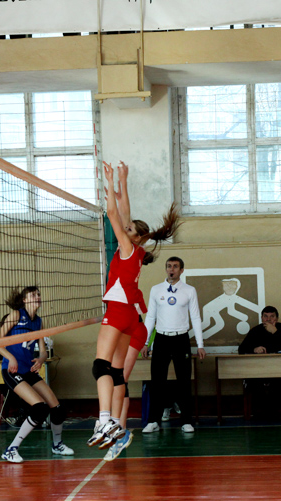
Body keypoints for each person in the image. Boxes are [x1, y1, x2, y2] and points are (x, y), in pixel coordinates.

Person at [88, 160, 181, 450]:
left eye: (128, 229)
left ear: (134, 236)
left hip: (118, 312)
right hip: (129, 316)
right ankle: (115, 425)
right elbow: (124, 215)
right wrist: (122, 183)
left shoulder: (127, 248)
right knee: (116, 373)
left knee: (100, 367)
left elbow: (114, 215)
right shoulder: (135, 250)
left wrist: (108, 185)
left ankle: (105, 420)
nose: (124, 227)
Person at [0, 286, 73, 463]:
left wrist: (40, 359)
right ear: (25, 300)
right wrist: (11, 358)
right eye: (33, 295)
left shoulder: (39, 322)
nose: (37, 297)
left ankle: (57, 445)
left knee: (57, 408)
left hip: (28, 370)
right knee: (39, 408)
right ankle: (11, 449)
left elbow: (43, 351)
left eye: (38, 294)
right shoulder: (16, 315)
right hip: (11, 370)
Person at [142, 256, 206, 434]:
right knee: (157, 381)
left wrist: (200, 344)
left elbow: (195, 317)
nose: (172, 269)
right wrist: (145, 342)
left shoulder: (189, 290)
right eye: (169, 266)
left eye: (175, 266)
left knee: (184, 381)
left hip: (181, 339)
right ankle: (153, 421)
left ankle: (186, 421)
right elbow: (150, 317)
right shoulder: (156, 290)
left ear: (181, 270)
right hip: (161, 339)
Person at [237, 306, 281, 418]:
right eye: (265, 316)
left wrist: (275, 332)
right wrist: (254, 349)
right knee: (255, 382)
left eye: (272, 316)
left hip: (279, 369)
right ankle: (259, 411)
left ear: (277, 318)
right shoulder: (255, 330)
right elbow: (241, 349)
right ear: (262, 318)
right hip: (258, 369)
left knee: (278, 382)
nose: (268, 319)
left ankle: (277, 410)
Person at [103, 317, 146, 461]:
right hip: (120, 331)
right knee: (117, 380)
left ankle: (120, 434)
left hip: (132, 330)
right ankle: (120, 432)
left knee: (120, 379)